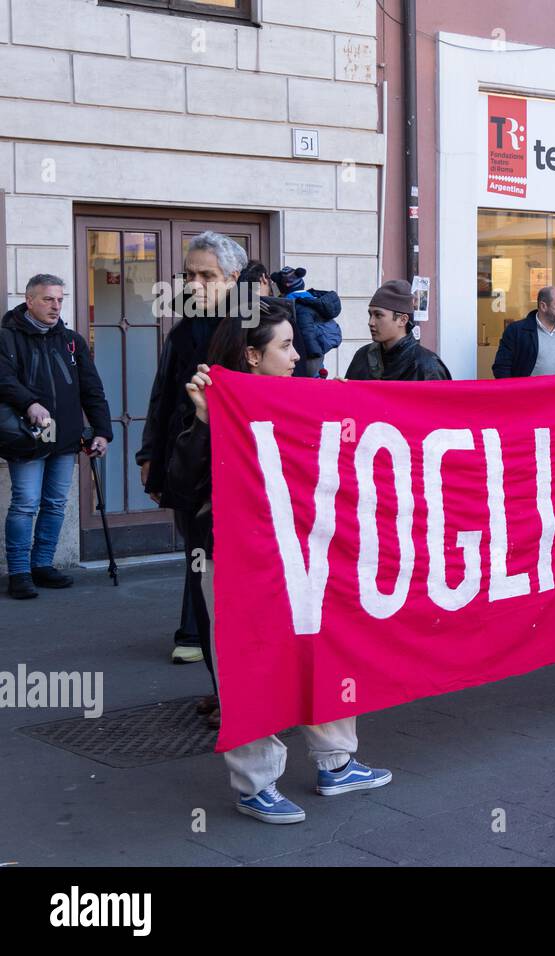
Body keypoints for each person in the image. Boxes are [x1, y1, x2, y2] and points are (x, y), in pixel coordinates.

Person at [174, 301, 392, 824]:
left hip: (305, 550)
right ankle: (255, 783)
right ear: (252, 355)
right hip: (236, 556)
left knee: (328, 644)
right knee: (250, 661)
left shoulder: (301, 398)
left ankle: (336, 761)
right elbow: (181, 485)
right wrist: (205, 421)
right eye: (285, 347)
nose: (298, 356)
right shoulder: (213, 406)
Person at [139, 230, 247, 663]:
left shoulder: (254, 326)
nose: (194, 284)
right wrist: (149, 455)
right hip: (189, 455)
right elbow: (162, 395)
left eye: (206, 275)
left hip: (239, 458)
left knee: (225, 552)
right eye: (189, 275)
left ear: (233, 277)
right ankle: (195, 634)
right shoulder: (183, 332)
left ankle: (220, 646)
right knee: (198, 547)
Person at [0, 274, 111, 599]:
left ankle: (42, 565)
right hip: (27, 434)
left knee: (55, 503)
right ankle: (19, 572)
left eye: (60, 299)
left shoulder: (71, 340)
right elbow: (3, 380)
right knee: (25, 503)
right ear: (29, 300)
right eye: (48, 299)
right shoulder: (7, 338)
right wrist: (30, 403)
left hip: (64, 435)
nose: (56, 305)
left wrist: (102, 431)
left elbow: (92, 389)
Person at [345, 280, 451, 381]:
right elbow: (349, 397)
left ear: (402, 320)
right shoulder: (363, 356)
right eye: (370, 315)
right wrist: (342, 388)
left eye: (378, 315)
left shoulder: (428, 366)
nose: (371, 322)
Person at [269, 265, 343, 380]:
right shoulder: (309, 299)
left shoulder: (300, 305)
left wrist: (313, 354)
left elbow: (306, 331)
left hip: (310, 352)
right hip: (316, 348)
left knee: (312, 379)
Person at [491, 286, 555, 377]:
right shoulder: (516, 331)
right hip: (528, 391)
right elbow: (501, 368)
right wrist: (512, 390)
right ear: (543, 306)